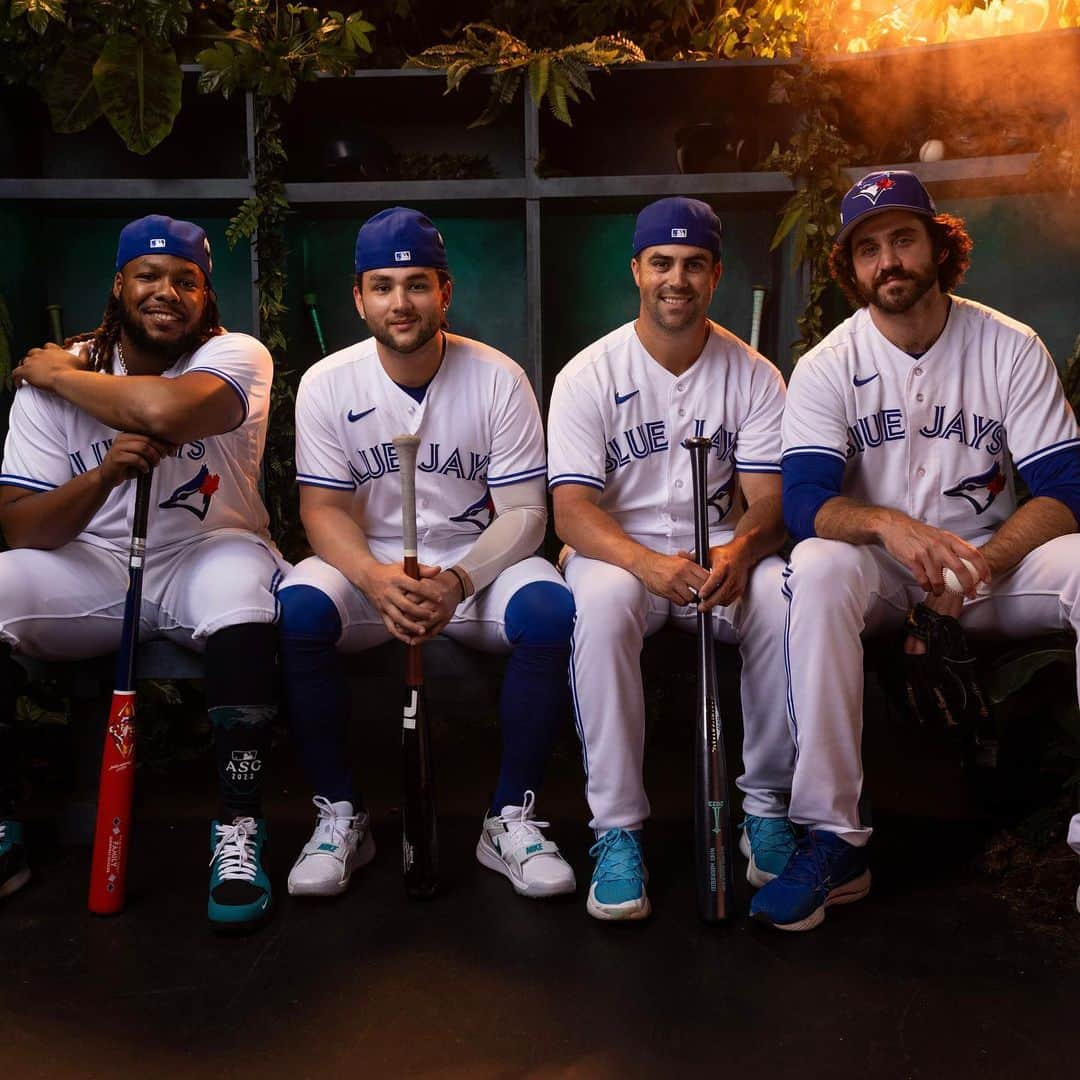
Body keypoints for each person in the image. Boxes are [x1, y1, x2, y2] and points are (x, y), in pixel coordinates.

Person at [752, 170, 1080, 932]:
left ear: (940, 245)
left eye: (903, 238)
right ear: (851, 267)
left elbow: (1067, 487)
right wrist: (885, 527)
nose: (887, 261)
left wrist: (981, 566)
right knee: (819, 565)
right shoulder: (830, 364)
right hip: (888, 574)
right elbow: (802, 502)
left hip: (994, 567)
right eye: (868, 248)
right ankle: (835, 837)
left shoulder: (1008, 345)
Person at [277, 207, 576, 901]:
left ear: (445, 292)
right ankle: (338, 814)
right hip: (371, 564)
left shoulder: (498, 378)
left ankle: (509, 818)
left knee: (549, 605)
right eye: (381, 286)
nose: (399, 302)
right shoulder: (329, 382)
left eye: (416, 284)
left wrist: (464, 579)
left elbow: (528, 515)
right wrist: (372, 578)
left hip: (476, 565)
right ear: (358, 297)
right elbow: (321, 511)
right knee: (297, 607)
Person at [0, 215, 287, 929]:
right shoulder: (58, 373)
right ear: (120, 284)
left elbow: (165, 409)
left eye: (186, 280)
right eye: (149, 276)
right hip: (95, 565)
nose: (167, 292)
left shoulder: (237, 354)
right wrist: (102, 475)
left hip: (208, 550)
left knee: (241, 593)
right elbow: (23, 527)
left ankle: (238, 830)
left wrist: (66, 377)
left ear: (206, 294)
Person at [547, 196, 795, 921]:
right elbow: (571, 512)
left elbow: (770, 500)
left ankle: (766, 807)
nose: (675, 279)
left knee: (782, 589)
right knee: (598, 601)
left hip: (717, 557)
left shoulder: (752, 375)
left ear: (715, 275)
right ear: (637, 271)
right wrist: (645, 565)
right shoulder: (588, 374)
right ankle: (617, 829)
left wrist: (742, 550)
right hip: (617, 557)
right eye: (661, 263)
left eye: (693, 265)